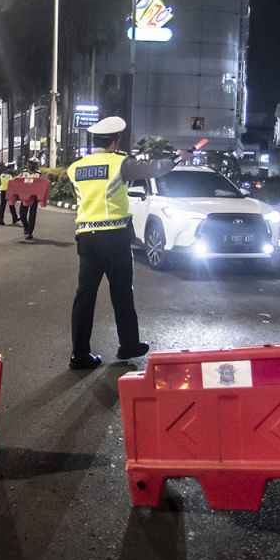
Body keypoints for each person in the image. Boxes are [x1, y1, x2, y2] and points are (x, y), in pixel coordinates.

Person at [67, 116, 183, 370]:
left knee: (84, 296)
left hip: (86, 237)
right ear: (114, 141)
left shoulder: (75, 167)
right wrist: (176, 158)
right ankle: (128, 344)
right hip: (114, 236)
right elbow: (153, 168)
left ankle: (79, 354)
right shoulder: (120, 163)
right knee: (121, 291)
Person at [17, 157, 41, 240]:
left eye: (34, 164)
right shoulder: (24, 173)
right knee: (22, 214)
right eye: (31, 163)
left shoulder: (39, 174)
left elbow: (43, 185)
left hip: (34, 197)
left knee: (32, 215)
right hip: (24, 196)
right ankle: (26, 227)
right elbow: (17, 180)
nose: (32, 165)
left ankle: (30, 233)